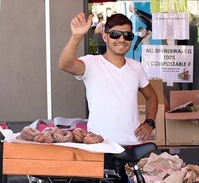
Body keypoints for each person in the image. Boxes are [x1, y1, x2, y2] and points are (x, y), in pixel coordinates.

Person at [59, 12, 158, 146]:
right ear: (105, 37)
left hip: (132, 145)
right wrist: (76, 36)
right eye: (115, 34)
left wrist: (149, 123)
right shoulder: (91, 63)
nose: (121, 39)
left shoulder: (136, 67)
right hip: (99, 145)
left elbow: (152, 97)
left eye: (127, 35)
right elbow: (65, 64)